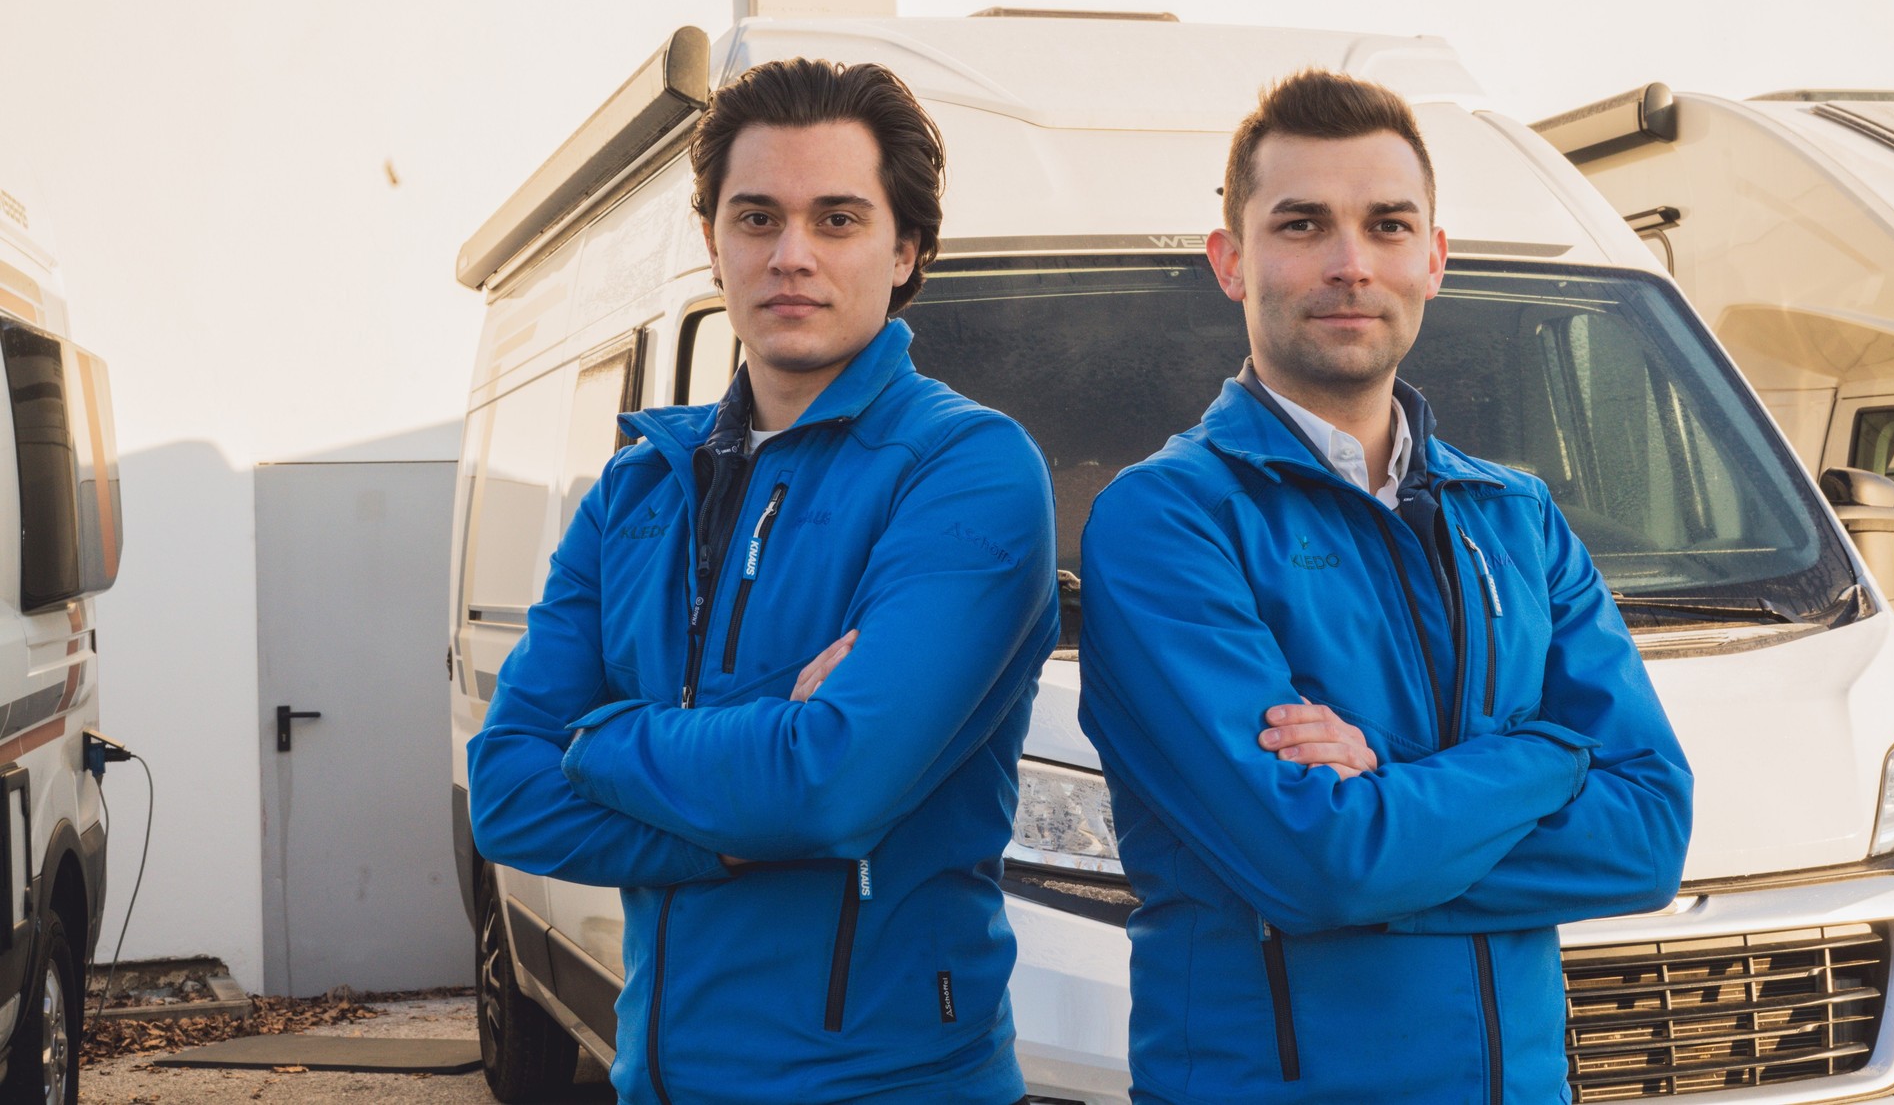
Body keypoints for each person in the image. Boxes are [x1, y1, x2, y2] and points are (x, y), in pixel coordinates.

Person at [1077, 70, 1693, 1103]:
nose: (1349, 263)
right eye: (1302, 224)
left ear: (1433, 259)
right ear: (1230, 260)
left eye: (1387, 225)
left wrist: (1390, 789)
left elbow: (1648, 831)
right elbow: (1319, 861)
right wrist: (1547, 753)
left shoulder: (1515, 515)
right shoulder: (1166, 518)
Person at [467, 58, 1058, 1105]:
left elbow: (832, 784)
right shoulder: (638, 484)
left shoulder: (965, 467)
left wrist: (604, 738)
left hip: (891, 1085)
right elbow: (509, 795)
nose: (791, 256)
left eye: (836, 219)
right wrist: (749, 812)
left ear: (905, 246)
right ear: (712, 243)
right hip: (659, 1073)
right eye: (755, 218)